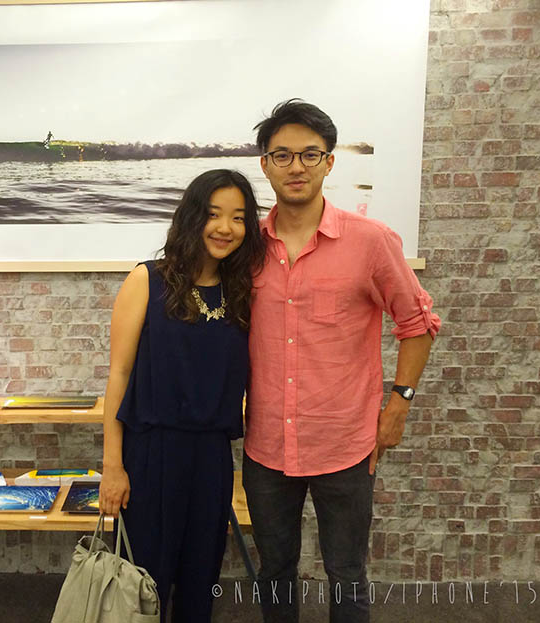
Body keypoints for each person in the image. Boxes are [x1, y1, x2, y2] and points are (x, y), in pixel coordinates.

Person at [242, 98, 440, 623]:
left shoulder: (370, 242)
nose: (297, 167)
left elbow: (418, 324)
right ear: (265, 165)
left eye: (310, 154)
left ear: (330, 162)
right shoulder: (247, 247)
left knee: (347, 573)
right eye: (282, 155)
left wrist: (399, 404)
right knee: (275, 570)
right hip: (266, 444)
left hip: (346, 443)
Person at [99, 169, 266, 622]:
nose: (226, 228)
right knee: (141, 585)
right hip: (151, 454)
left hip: (212, 457)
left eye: (238, 217)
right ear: (193, 217)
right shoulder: (148, 279)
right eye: (214, 214)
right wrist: (112, 467)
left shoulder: (241, 292)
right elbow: (119, 374)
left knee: (200, 581)